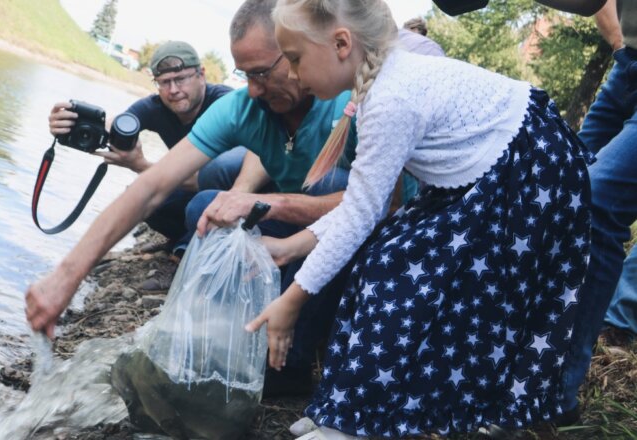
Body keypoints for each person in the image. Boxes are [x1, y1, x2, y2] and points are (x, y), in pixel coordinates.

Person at [244, 0, 594, 437]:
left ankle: (364, 421)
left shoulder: (392, 97)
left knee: (402, 277)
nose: (292, 75)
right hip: (483, 176)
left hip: (527, 174)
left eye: (295, 59)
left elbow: (358, 214)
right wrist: (295, 249)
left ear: (340, 43)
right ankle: (345, 407)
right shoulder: (378, 87)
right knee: (379, 262)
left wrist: (292, 299)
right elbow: (362, 204)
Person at [26, 0, 358, 398]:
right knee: (205, 208)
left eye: (262, 73)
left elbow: (377, 205)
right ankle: (225, 336)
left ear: (294, 49)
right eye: (244, 75)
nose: (252, 89)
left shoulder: (344, 96)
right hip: (297, 224)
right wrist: (66, 276)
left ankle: (291, 365)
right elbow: (152, 187)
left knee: (324, 186)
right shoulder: (245, 106)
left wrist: (266, 205)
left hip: (365, 236)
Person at [47, 41, 245, 254]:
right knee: (140, 197)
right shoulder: (156, 106)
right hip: (194, 191)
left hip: (235, 195)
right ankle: (180, 240)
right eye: (164, 82)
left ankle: (191, 246)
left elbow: (206, 178)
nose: (173, 90)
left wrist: (140, 165)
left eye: (181, 79)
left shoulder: (226, 103)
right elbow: (115, 125)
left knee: (202, 187)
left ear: (201, 74)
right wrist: (71, 125)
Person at [560, 0, 637, 423]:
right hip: (628, 65)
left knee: (598, 200)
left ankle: (557, 396)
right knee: (562, 185)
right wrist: (618, 42)